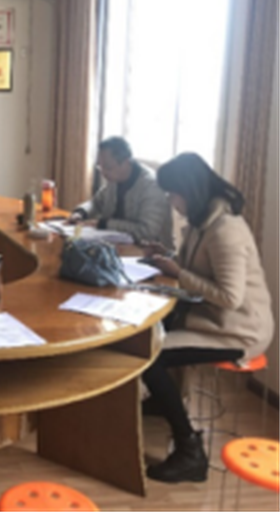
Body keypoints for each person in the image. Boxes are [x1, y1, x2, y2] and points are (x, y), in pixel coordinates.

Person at [140, 152, 274, 484]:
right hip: (213, 318)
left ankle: (190, 451)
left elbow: (230, 297)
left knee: (150, 356)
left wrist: (178, 273)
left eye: (173, 194)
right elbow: (199, 269)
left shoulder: (225, 229)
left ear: (189, 191)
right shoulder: (203, 221)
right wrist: (167, 258)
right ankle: (163, 399)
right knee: (148, 330)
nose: (171, 202)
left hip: (240, 330)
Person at [68, 136, 173, 246]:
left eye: (108, 167)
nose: (103, 173)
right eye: (100, 166)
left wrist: (104, 224)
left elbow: (147, 231)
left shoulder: (151, 186)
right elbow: (96, 202)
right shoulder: (114, 179)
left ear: (126, 162)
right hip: (116, 244)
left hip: (150, 251)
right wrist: (81, 213)